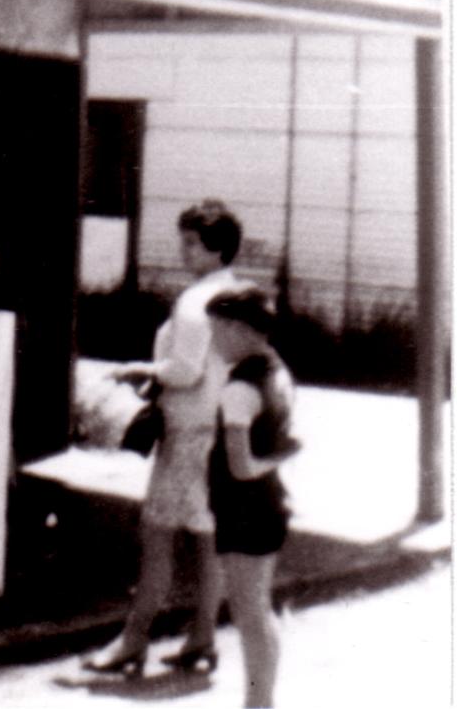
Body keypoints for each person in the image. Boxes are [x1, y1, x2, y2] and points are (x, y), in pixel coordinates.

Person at [84, 199, 243, 677]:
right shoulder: (235, 295)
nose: (183, 250)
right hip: (217, 432)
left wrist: (143, 370)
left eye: (192, 243)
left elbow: (186, 370)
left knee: (156, 537)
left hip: (187, 434)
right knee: (208, 539)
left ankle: (133, 642)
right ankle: (202, 637)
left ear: (216, 250)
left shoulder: (195, 302)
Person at [206, 288, 299, 707]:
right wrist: (281, 454)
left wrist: (277, 455)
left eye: (217, 331)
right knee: (259, 609)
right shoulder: (278, 370)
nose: (213, 341)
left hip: (243, 508)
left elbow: (241, 466)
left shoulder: (238, 390)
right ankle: (263, 702)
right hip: (270, 503)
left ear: (240, 330)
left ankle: (257, 704)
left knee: (249, 614)